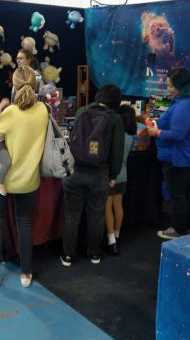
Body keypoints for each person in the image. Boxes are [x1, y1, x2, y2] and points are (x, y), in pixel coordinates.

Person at [0, 66, 48, 288]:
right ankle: (26, 274)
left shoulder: (10, 113)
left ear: (14, 85)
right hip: (29, 179)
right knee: (25, 224)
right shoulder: (43, 110)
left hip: (2, 178)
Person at [60, 84, 125, 266]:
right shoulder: (115, 119)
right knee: (96, 215)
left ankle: (67, 255)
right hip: (99, 174)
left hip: (75, 171)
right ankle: (94, 254)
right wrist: (113, 175)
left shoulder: (82, 111)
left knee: (72, 215)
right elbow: (116, 151)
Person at [149, 68, 190, 240]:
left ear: (181, 86)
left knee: (178, 195)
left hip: (179, 158)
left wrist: (156, 133)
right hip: (189, 155)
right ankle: (189, 226)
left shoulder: (184, 106)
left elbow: (177, 134)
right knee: (187, 192)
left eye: (171, 86)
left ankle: (180, 229)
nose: (169, 90)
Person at [105, 103, 137, 255]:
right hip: (124, 175)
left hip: (112, 175)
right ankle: (117, 234)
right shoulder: (131, 136)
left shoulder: (115, 135)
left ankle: (111, 240)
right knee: (118, 205)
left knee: (107, 207)